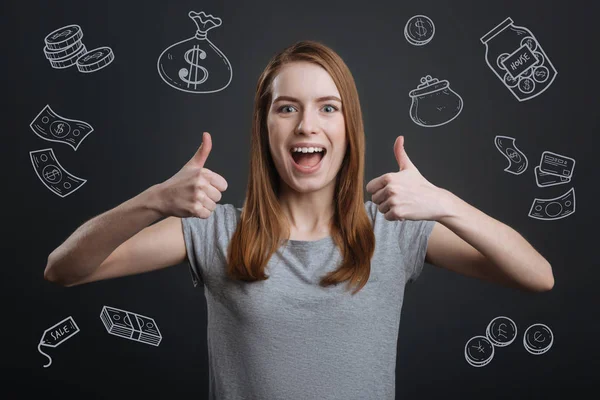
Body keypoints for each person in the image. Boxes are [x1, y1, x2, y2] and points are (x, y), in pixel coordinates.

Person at [44, 40, 554, 399]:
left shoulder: (396, 230)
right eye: (287, 108)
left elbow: (537, 276)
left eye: (327, 108)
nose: (307, 124)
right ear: (265, 128)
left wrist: (444, 203)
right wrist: (154, 200)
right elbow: (64, 269)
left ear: (348, 127)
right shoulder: (216, 231)